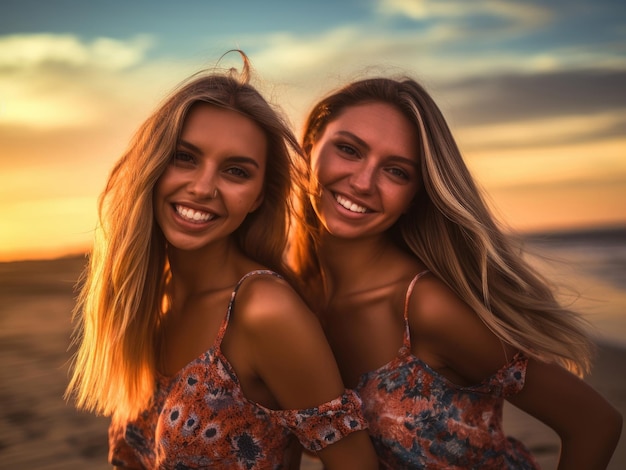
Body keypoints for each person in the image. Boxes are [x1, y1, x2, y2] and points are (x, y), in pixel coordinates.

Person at [289, 76, 623, 469]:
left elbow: (595, 423)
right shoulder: (294, 295)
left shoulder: (426, 307)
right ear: (310, 145)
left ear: (416, 195)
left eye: (396, 171)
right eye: (349, 150)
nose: (363, 182)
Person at [65, 51, 378, 470]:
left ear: (257, 198)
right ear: (153, 165)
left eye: (235, 171)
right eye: (185, 157)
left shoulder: (264, 310)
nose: (203, 187)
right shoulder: (151, 298)